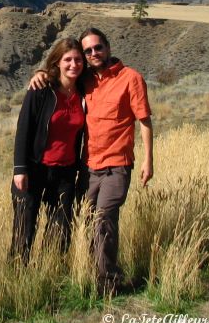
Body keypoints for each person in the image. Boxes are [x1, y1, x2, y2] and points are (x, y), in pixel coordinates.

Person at [30, 27, 153, 294]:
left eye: (98, 47)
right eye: (88, 51)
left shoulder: (131, 78)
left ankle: (108, 282)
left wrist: (148, 161)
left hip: (117, 165)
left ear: (108, 47)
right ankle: (86, 272)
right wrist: (40, 73)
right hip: (88, 166)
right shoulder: (86, 79)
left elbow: (144, 120)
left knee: (104, 220)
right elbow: (60, 74)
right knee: (84, 220)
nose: (94, 53)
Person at [10, 38, 87, 265]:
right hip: (35, 169)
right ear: (57, 62)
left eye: (78, 60)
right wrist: (20, 169)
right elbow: (24, 129)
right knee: (24, 231)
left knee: (60, 232)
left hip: (65, 173)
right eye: (68, 59)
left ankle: (49, 276)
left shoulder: (84, 91)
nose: (74, 64)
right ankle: (18, 279)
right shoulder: (41, 89)